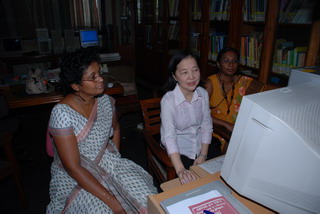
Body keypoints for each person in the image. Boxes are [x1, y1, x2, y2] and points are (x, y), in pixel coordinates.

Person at [46, 48, 157, 214]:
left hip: (108, 161)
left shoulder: (105, 101)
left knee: (146, 198)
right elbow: (73, 168)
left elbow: (116, 128)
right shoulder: (62, 113)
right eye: (92, 77)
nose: (100, 80)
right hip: (77, 175)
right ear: (76, 86)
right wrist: (111, 201)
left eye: (99, 73)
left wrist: (114, 156)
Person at [160, 49, 219, 185]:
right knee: (191, 186)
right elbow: (169, 137)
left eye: (195, 70)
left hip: (201, 148)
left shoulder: (202, 94)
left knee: (221, 177)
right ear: (174, 76)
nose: (191, 77)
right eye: (184, 72)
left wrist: (203, 155)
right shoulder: (168, 101)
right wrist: (180, 169)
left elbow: (206, 126)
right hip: (179, 153)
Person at [204, 47, 255, 148]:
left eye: (234, 61)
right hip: (214, 131)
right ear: (218, 64)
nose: (231, 65)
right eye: (226, 60)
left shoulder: (245, 82)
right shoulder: (210, 83)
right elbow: (200, 114)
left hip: (238, 130)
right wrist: (226, 124)